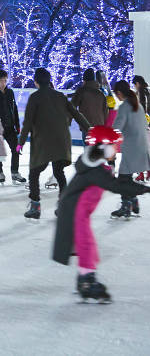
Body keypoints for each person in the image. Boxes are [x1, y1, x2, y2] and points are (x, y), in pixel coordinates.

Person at [53, 125, 150, 303]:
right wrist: (144, 189)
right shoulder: (95, 171)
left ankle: (85, 278)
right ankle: (86, 283)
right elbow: (117, 186)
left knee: (87, 246)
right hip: (75, 213)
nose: (116, 149)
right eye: (114, 145)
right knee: (86, 246)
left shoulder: (94, 166)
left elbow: (116, 182)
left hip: (78, 211)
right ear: (102, 147)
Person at [18, 68, 90, 219]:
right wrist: (90, 128)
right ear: (49, 81)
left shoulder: (35, 97)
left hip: (43, 142)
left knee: (34, 173)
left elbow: (28, 123)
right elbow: (76, 114)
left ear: (36, 82)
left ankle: (35, 206)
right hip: (61, 141)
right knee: (59, 172)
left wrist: (20, 143)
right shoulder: (60, 96)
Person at [109, 80, 150, 218]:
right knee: (126, 178)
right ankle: (132, 201)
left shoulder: (125, 107)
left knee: (122, 179)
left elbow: (116, 128)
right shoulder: (137, 105)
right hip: (142, 146)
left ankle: (127, 205)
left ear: (119, 93)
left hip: (132, 148)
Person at [0, 70, 26, 185]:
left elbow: (14, 109)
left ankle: (15, 172)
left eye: (5, 80)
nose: (4, 83)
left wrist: (17, 125)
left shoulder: (10, 93)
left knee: (16, 149)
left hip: (10, 127)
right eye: (1, 81)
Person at [71, 68, 108, 139]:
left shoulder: (81, 91)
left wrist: (67, 120)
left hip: (87, 126)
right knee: (97, 148)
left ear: (84, 79)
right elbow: (105, 111)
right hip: (100, 126)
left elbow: (72, 107)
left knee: (88, 148)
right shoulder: (100, 93)